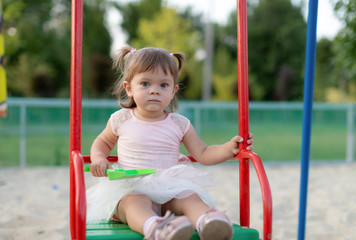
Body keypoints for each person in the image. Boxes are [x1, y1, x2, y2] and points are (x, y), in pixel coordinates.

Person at [87, 45, 254, 240]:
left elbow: (203, 153)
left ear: (173, 91)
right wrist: (98, 157)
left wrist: (228, 149)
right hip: (131, 186)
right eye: (145, 84)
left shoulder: (179, 124)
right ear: (129, 88)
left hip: (169, 187)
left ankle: (207, 222)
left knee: (189, 197)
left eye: (163, 85)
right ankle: (156, 228)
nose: (154, 91)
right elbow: (102, 142)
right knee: (133, 203)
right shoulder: (121, 119)